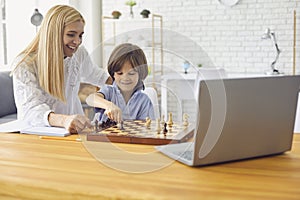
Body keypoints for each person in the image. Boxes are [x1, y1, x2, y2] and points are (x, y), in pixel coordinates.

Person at [11, 5, 112, 133]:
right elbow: (31, 110)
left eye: (80, 35)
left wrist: (123, 82)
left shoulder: (79, 54)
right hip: (38, 134)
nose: (77, 41)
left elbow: (94, 74)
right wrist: (64, 120)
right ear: (53, 34)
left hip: (73, 131)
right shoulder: (25, 64)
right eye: (71, 35)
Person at [86, 43, 155, 123]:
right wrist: (109, 105)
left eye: (131, 73)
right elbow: (90, 99)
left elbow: (147, 128)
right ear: (113, 74)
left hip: (131, 135)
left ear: (140, 74)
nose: (125, 78)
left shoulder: (144, 101)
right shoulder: (109, 92)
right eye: (119, 73)